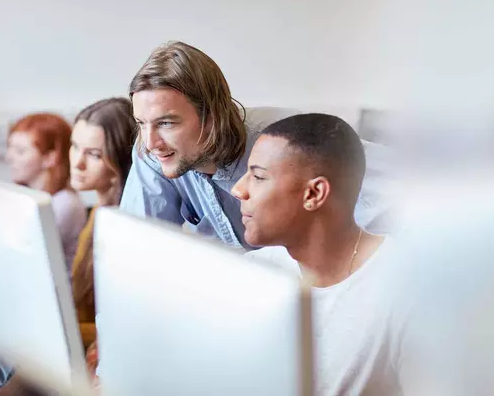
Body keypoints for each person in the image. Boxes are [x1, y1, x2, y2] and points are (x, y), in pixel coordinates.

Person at [120, 41, 391, 249]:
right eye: (141, 123)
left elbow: (407, 196)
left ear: (213, 115)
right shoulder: (153, 152)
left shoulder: (289, 138)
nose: (151, 141)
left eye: (167, 124)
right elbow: (136, 254)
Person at [232, 113, 418, 396]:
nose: (238, 190)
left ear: (314, 194)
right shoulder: (254, 274)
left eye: (258, 177)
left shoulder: (409, 290)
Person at [65, 97, 137, 374]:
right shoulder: (98, 211)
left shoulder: (128, 227)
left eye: (94, 154)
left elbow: (121, 330)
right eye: (74, 147)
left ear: (122, 160)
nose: (77, 163)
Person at [6, 113, 89, 261]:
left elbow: (23, 253)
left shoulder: (65, 204)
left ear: (50, 158)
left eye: (20, 151)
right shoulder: (29, 198)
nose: (9, 157)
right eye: (10, 148)